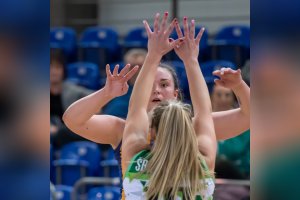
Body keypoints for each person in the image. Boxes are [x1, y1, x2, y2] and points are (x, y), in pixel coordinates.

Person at [63, 12, 250, 185]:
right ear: (141, 93)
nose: (156, 92)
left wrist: (240, 86)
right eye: (150, 86)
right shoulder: (123, 128)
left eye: (164, 84)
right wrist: (106, 93)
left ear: (176, 94)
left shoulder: (135, 135)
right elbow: (72, 120)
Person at [122, 13, 216, 199]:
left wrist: (153, 55)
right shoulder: (203, 161)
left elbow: (136, 108)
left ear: (153, 131)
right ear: (189, 130)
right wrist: (192, 60)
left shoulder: (136, 158)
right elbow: (204, 112)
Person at [50, 50, 93, 148]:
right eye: (50, 68)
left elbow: (93, 96)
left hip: (70, 130)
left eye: (57, 68)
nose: (53, 71)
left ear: (63, 70)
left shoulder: (73, 90)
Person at [101, 48, 147, 118]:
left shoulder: (151, 90)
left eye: (140, 66)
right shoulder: (117, 86)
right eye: (132, 66)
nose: (136, 71)